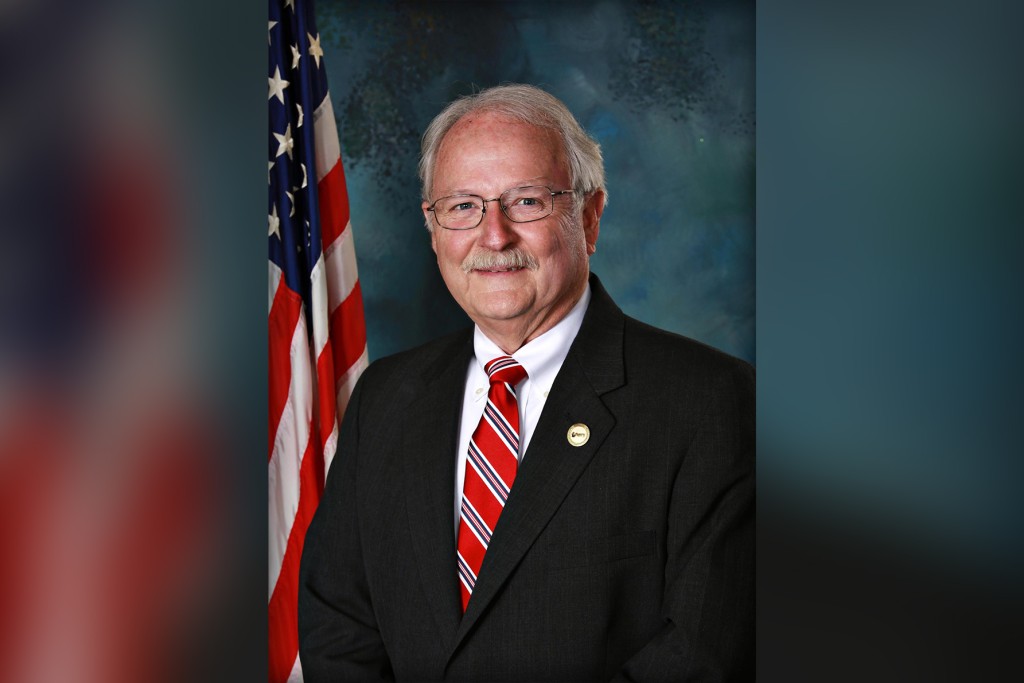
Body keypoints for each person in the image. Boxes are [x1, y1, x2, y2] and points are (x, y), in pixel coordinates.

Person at [298, 84, 754, 682]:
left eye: (527, 201)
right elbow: (339, 628)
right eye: (463, 206)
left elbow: (702, 655)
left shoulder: (711, 401)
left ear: (588, 218)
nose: (494, 237)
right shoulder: (385, 398)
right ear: (433, 230)